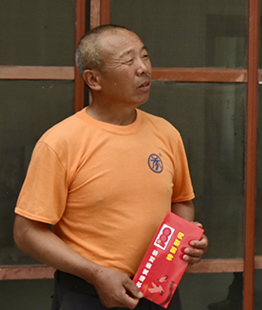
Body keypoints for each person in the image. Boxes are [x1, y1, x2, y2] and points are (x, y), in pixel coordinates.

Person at [14, 24, 208, 310]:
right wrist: (96, 274)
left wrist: (184, 243)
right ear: (94, 79)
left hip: (157, 291)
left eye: (145, 56)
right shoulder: (60, 142)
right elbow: (27, 232)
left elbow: (181, 201)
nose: (143, 68)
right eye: (128, 61)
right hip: (89, 293)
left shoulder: (167, 133)